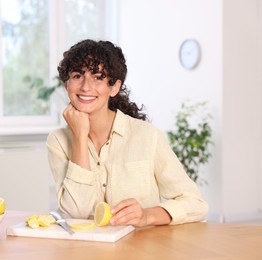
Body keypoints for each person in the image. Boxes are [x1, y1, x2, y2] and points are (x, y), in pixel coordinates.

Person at [46, 39, 208, 227]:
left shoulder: (148, 136)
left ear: (114, 87)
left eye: (98, 77)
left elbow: (195, 204)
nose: (85, 86)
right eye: (77, 76)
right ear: (67, 84)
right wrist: (80, 138)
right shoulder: (58, 140)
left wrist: (147, 216)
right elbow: (77, 212)